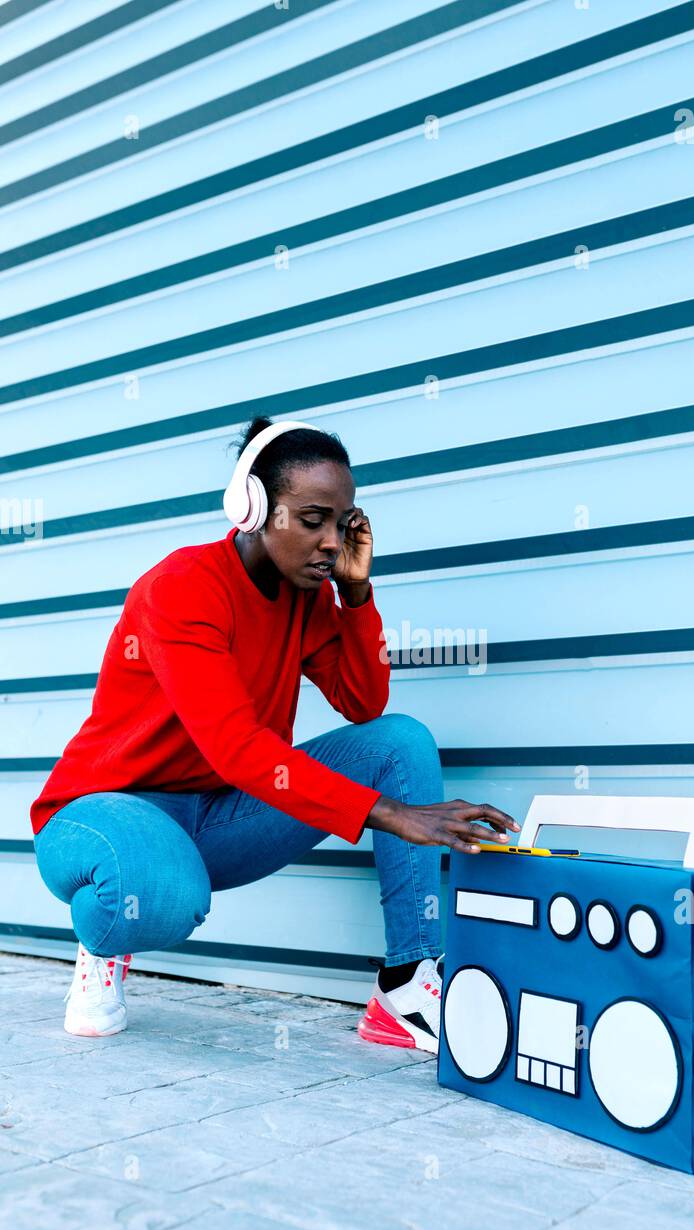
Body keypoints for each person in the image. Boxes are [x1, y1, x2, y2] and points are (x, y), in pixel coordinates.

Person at [30, 417, 520, 1051]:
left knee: (399, 742)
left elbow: (362, 701)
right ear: (254, 506)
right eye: (312, 519)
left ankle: (404, 985)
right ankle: (106, 938)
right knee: (160, 894)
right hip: (103, 812)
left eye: (342, 524)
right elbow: (237, 747)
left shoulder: (309, 596)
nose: (328, 541)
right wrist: (392, 815)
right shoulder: (181, 588)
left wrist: (356, 591)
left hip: (214, 818)